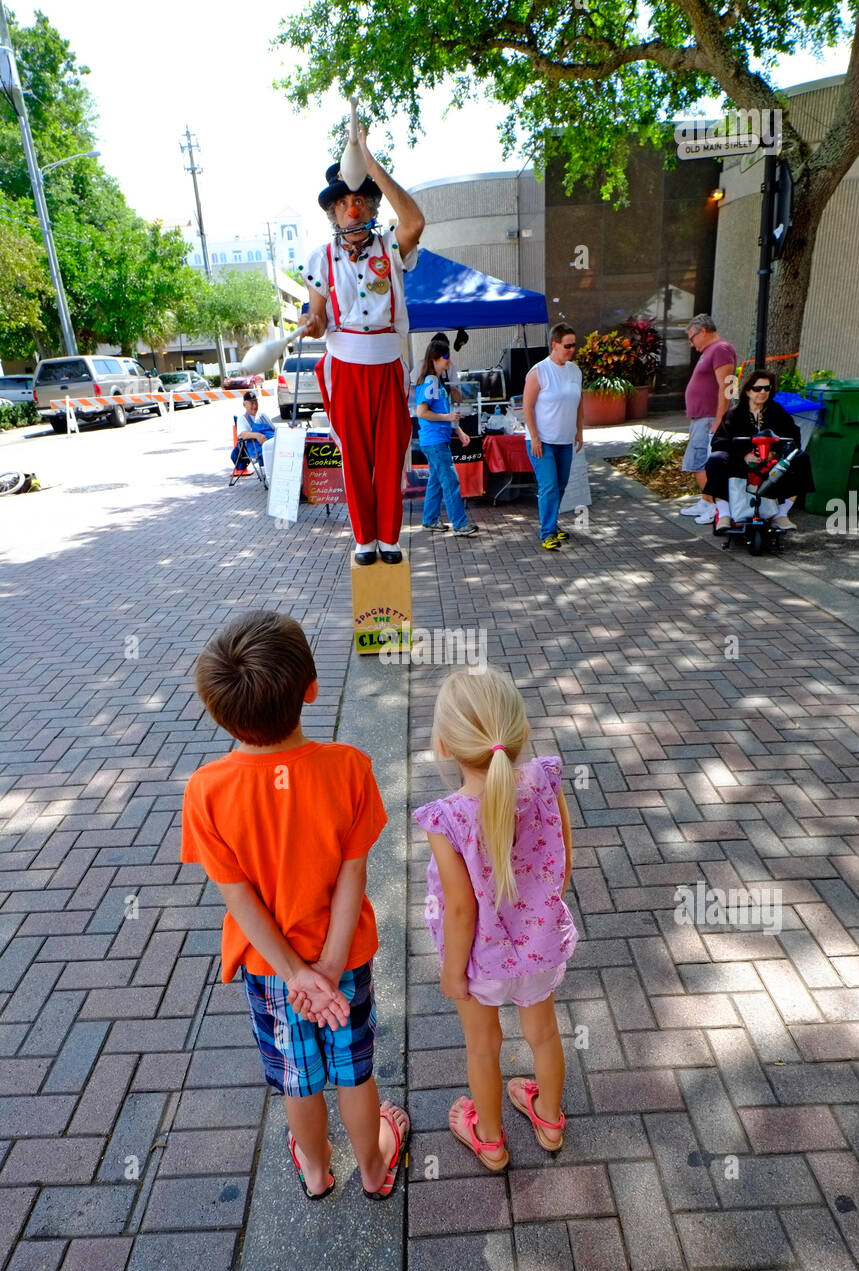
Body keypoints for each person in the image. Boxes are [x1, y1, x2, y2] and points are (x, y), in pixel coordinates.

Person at [181, 611, 410, 1201]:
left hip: (271, 969)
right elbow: (352, 876)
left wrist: (298, 977)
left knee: (297, 1077)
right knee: (356, 1072)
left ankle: (315, 1172)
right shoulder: (349, 767)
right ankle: (374, 1169)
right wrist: (328, 970)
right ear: (311, 689)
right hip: (343, 961)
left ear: (217, 709)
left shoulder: (206, 791)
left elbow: (239, 897)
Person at [413, 668, 576, 1171]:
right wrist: (541, 921)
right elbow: (563, 859)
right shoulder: (545, 780)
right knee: (544, 1034)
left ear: (444, 746)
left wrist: (450, 972)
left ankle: (489, 1137)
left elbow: (461, 909)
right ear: (520, 733)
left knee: (483, 1047)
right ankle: (549, 1117)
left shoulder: (446, 819)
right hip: (539, 947)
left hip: (479, 960)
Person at [297, 126, 425, 565]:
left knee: (391, 452)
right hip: (346, 364)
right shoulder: (319, 258)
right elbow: (316, 315)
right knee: (354, 457)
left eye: (360, 200)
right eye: (344, 203)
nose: (353, 209)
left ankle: (390, 537)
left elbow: (416, 222)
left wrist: (371, 162)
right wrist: (311, 323)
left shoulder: (390, 245)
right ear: (334, 212)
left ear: (371, 205)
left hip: (387, 361)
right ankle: (365, 539)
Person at [703, 369, 814, 532]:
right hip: (740, 462)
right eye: (757, 388)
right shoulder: (734, 414)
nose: (762, 392)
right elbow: (720, 441)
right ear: (748, 390)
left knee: (801, 458)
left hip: (771, 461)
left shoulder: (778, 412)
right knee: (716, 460)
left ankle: (781, 515)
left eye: (767, 388)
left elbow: (792, 437)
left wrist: (774, 453)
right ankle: (725, 514)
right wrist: (744, 455)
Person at [522, 323, 585, 551]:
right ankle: (547, 532)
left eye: (574, 345)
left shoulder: (575, 371)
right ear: (554, 345)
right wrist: (535, 438)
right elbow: (527, 407)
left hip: (564, 440)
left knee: (560, 485)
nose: (571, 350)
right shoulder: (539, 371)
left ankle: (552, 524)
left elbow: (578, 403)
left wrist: (579, 430)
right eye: (567, 346)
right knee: (548, 486)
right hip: (542, 441)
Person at [415, 339, 479, 537]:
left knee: (436, 481)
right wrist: (449, 419)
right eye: (445, 357)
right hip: (435, 441)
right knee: (450, 482)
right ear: (435, 358)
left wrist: (458, 431)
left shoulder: (436, 382)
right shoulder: (431, 381)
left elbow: (441, 412)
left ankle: (430, 519)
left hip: (436, 440)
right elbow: (422, 412)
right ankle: (460, 525)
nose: (448, 361)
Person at [679, 314, 737, 524]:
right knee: (698, 461)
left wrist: (720, 419)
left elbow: (728, 386)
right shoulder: (710, 351)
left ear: (702, 330)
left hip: (709, 418)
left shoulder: (721, 349)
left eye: (691, 337)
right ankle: (706, 500)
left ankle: (714, 506)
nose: (691, 344)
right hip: (701, 417)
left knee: (698, 462)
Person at [233, 390, 274, 475]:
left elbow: (273, 429)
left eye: (256, 403)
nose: (255, 406)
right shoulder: (242, 419)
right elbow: (242, 434)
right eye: (251, 403)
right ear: (244, 404)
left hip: (271, 444)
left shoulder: (263, 416)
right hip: (258, 449)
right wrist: (257, 435)